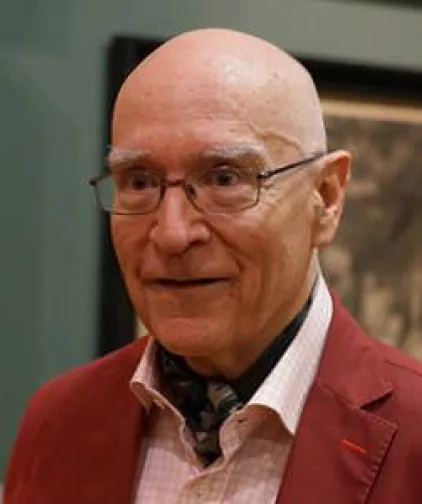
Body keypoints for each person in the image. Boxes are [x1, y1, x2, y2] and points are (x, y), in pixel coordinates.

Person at [4, 28, 422, 504]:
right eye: (139, 181)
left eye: (225, 179)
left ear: (325, 199)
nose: (172, 233)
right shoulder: (59, 420)